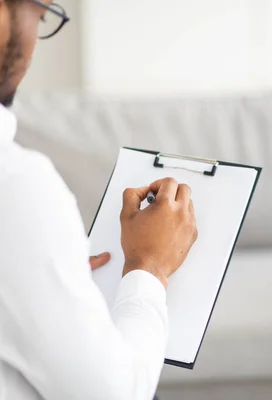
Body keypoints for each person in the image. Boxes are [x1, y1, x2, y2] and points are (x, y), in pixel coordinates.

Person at [0, 1, 198, 399]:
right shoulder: (17, 185)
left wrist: (47, 272)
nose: (35, 42)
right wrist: (150, 266)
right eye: (39, 17)